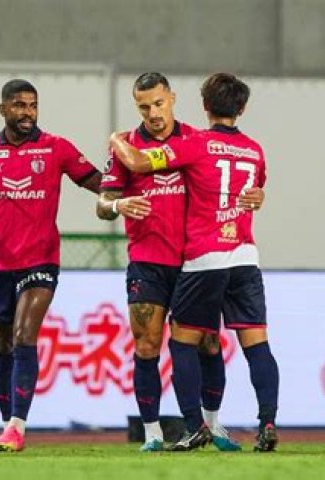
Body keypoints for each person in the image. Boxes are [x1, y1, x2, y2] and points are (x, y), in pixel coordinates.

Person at [110, 73, 279, 452]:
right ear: (242, 108)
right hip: (241, 257)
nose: (153, 112)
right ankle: (267, 421)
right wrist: (258, 197)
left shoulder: (195, 143)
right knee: (255, 344)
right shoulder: (254, 149)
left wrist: (116, 141)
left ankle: (197, 426)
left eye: (158, 103)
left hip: (203, 259)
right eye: (144, 106)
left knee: (187, 343)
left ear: (197, 104)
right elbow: (254, 188)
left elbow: (139, 161)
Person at [0, 79, 101, 452]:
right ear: (3, 109)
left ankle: (17, 427)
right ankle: (7, 427)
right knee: (3, 344)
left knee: (23, 335)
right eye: (19, 105)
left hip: (41, 260)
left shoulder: (57, 148)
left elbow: (99, 182)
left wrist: (130, 189)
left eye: (32, 105)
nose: (27, 112)